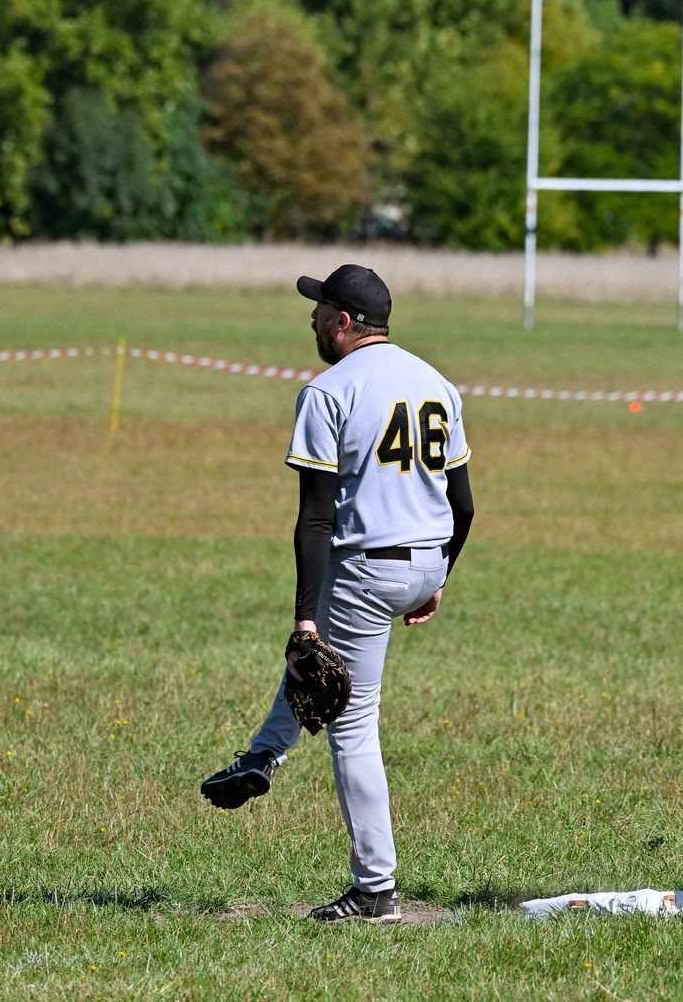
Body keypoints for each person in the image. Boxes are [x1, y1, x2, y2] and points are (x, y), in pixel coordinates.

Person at [200, 264, 476, 924]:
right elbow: (464, 505)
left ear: (344, 320)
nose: (313, 317)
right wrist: (437, 577)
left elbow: (316, 518)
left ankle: (376, 887)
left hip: (364, 564)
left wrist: (302, 616)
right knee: (317, 668)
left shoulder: (327, 392)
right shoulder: (435, 382)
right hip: (423, 559)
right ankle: (263, 753)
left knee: (348, 718)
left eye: (320, 307)